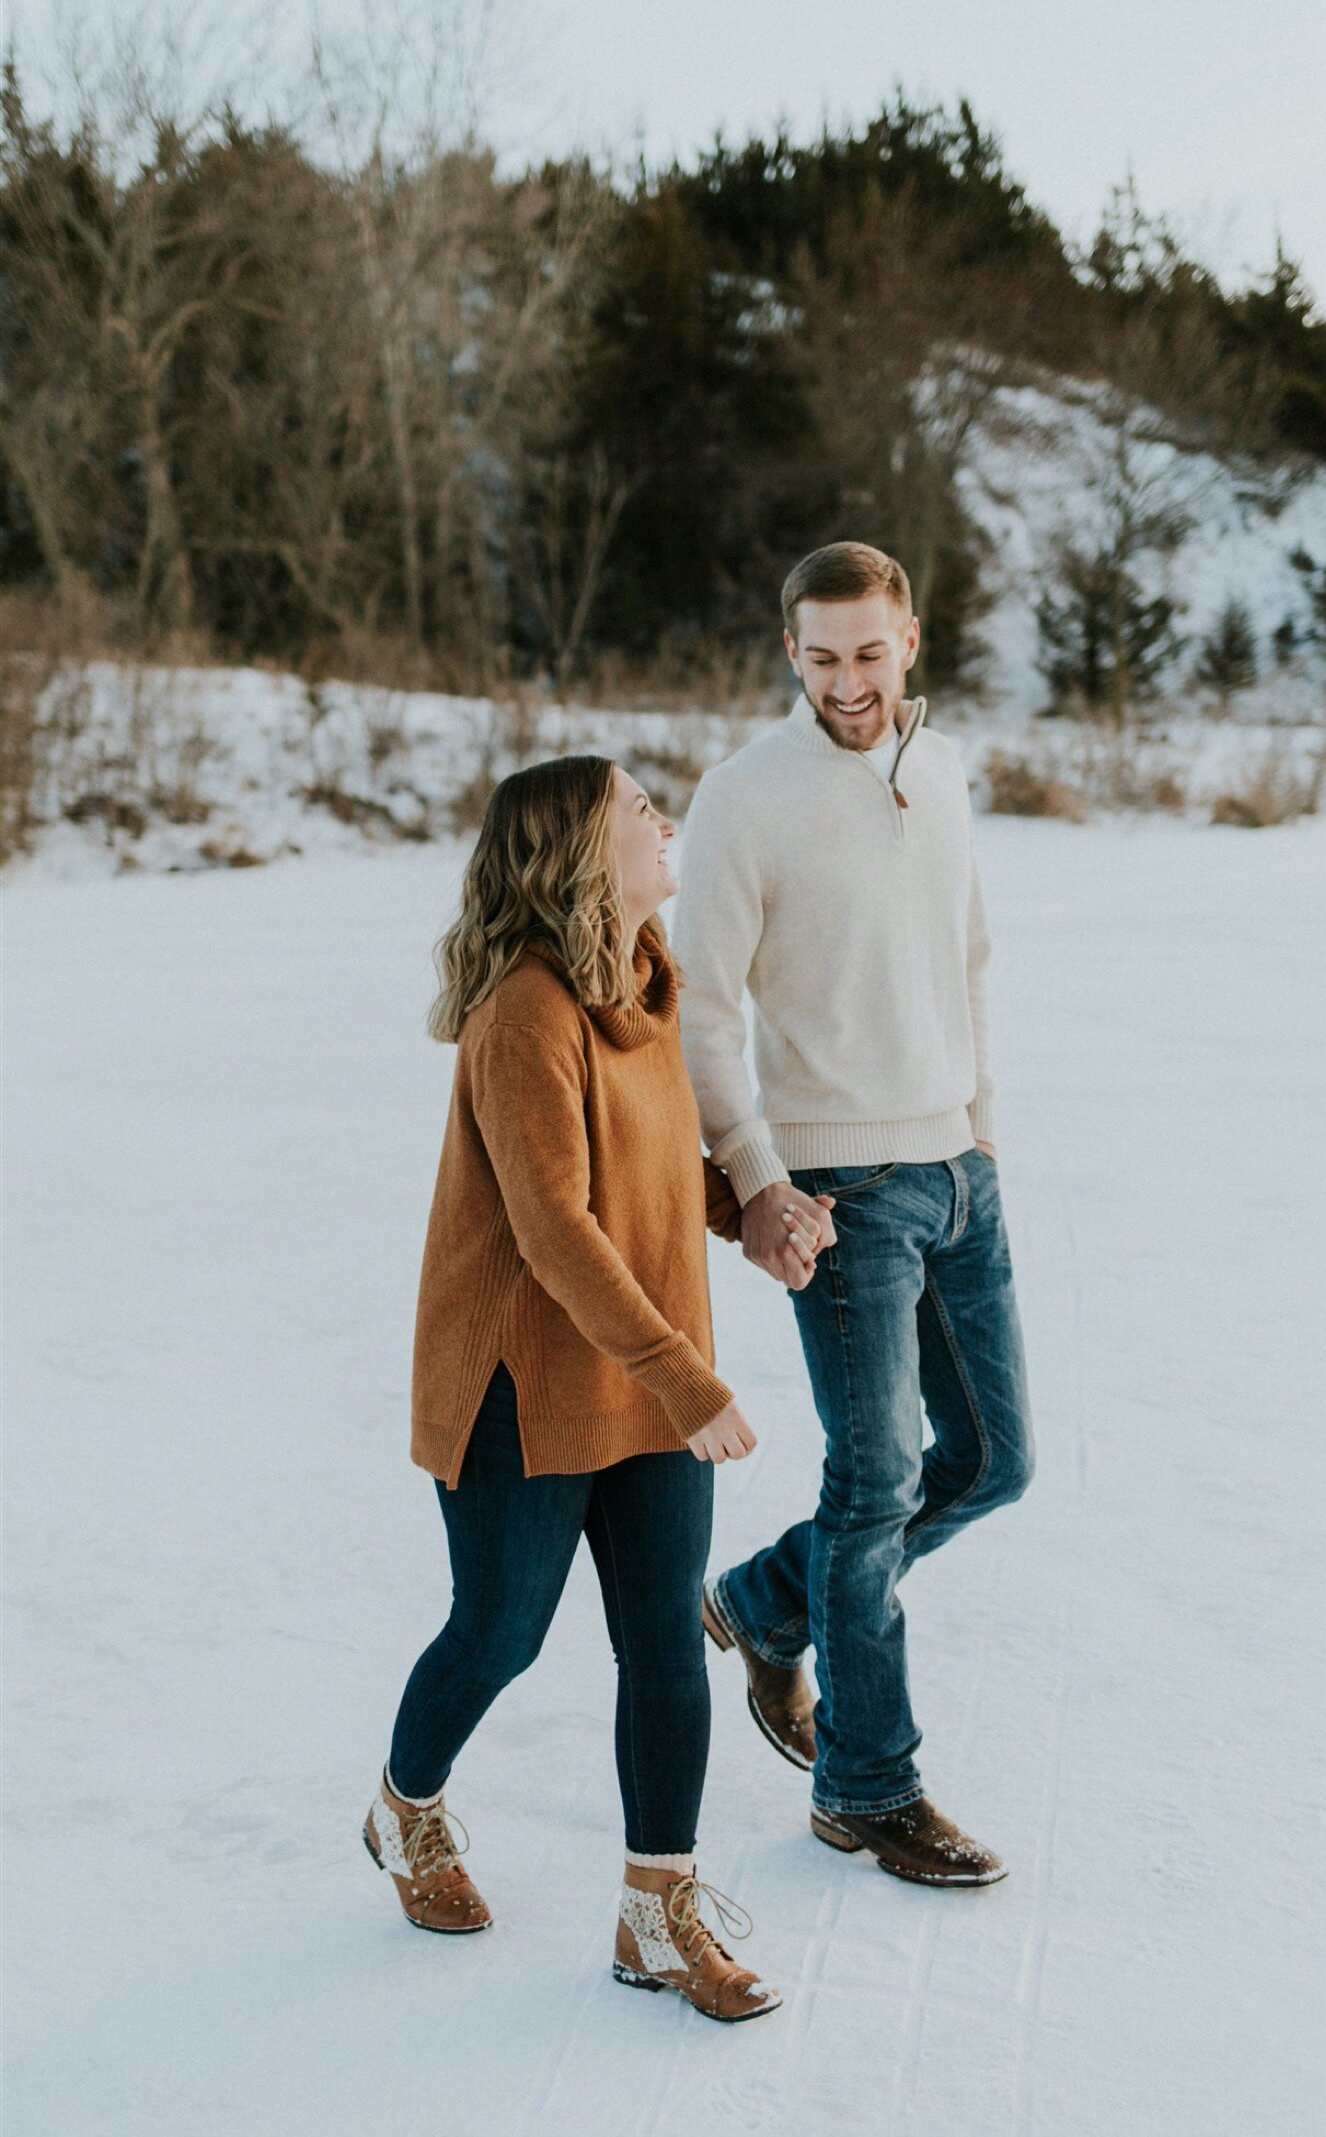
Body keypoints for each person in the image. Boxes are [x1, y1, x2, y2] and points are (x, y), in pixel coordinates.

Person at [363, 756, 827, 2021]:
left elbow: (654, 1163)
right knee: (500, 1631)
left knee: (664, 1642)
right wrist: (689, 1379)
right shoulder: (522, 1011)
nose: (664, 817)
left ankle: (656, 1912)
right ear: (576, 849)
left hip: (641, 1365)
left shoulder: (644, 983)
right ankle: (405, 1811)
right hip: (524, 1377)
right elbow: (556, 1225)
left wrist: (749, 1215)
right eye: (636, 808)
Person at [672, 541, 1035, 1888]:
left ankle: (770, 1598)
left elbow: (969, 955)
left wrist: (982, 1125)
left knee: (994, 1460)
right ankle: (866, 1786)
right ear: (791, 655)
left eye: (869, 654)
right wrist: (760, 1174)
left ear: (911, 643)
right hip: (839, 1194)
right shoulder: (742, 799)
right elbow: (701, 1008)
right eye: (820, 658)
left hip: (958, 1170)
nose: (847, 683)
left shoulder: (934, 769)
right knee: (874, 1480)